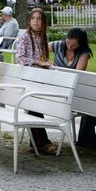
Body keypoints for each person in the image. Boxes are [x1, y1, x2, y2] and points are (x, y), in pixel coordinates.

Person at [16, 8, 57, 154]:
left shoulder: (42, 37)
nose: (36, 21)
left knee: (38, 108)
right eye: (33, 18)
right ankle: (41, 143)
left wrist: (46, 63)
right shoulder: (25, 37)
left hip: (39, 80)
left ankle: (39, 142)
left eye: (39, 19)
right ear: (29, 21)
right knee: (34, 108)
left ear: (43, 22)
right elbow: (20, 59)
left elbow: (42, 58)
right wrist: (39, 63)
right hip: (28, 81)